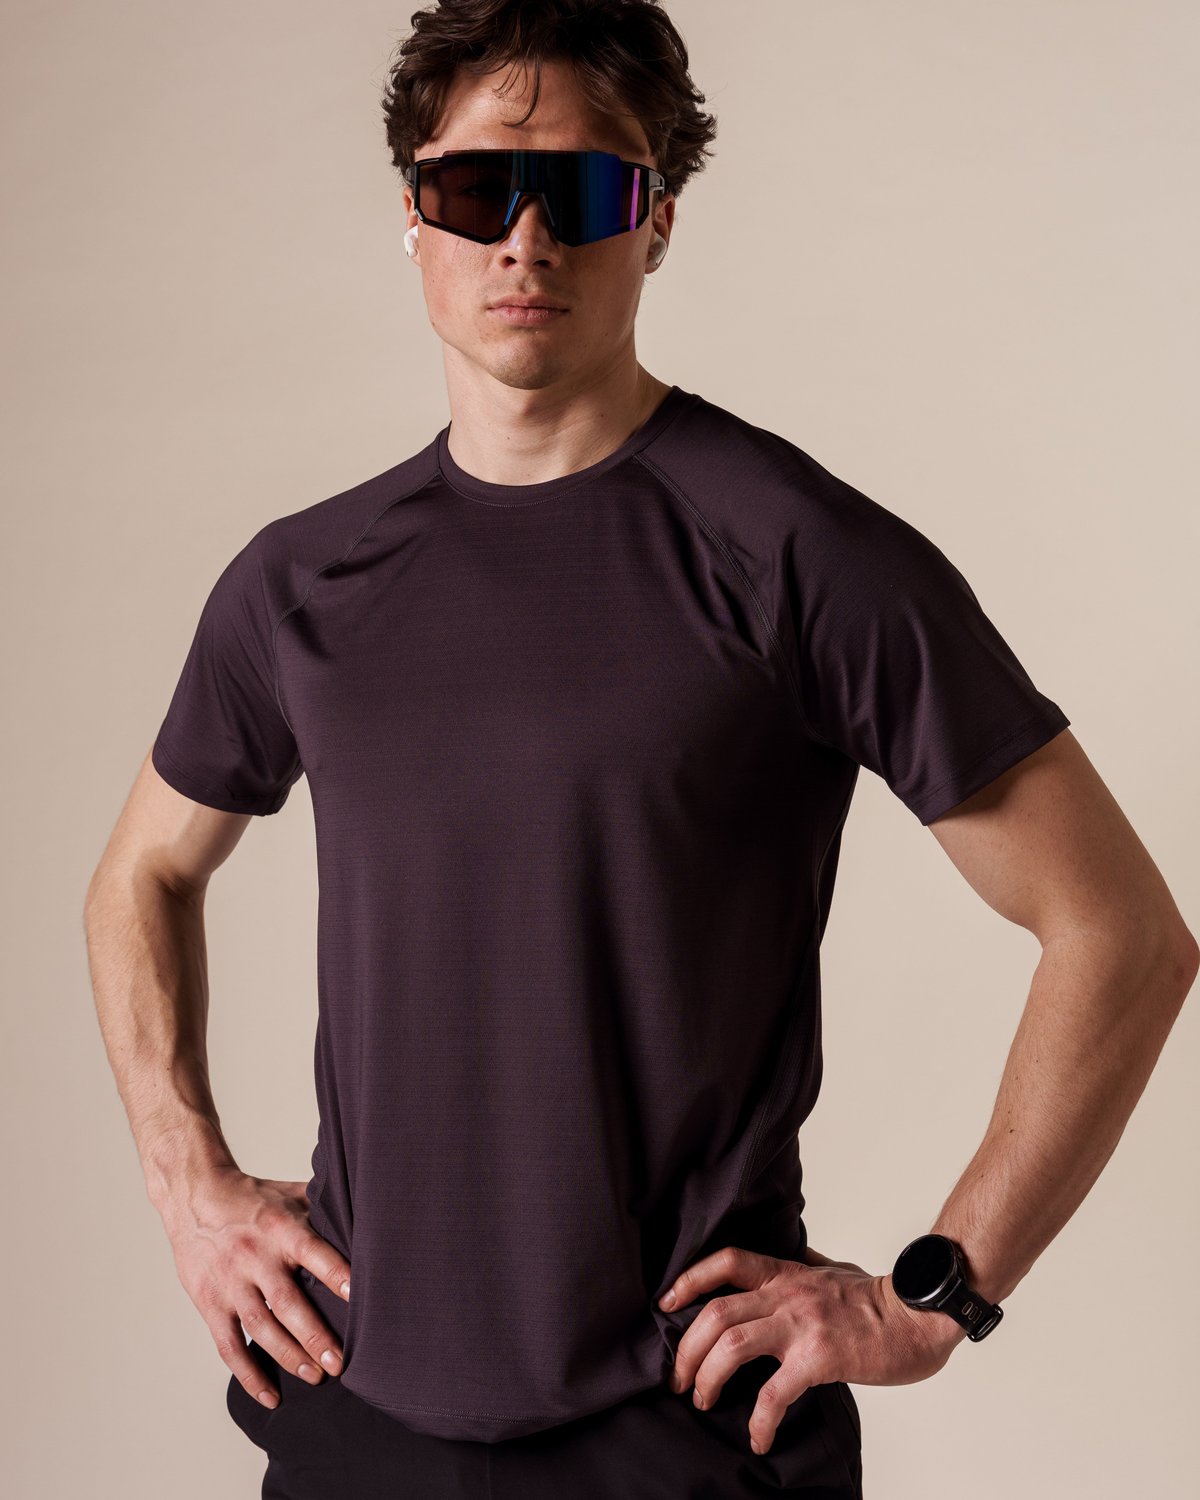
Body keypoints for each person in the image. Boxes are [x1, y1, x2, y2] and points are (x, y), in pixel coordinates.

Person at [83, 3, 1198, 1497]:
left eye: (584, 192)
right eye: (476, 190)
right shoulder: (301, 582)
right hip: (357, 1416)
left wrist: (932, 1298)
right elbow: (140, 875)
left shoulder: (796, 554)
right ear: (413, 216)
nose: (525, 240)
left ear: (657, 221)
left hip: (688, 1434)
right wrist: (189, 1186)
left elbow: (1121, 933)